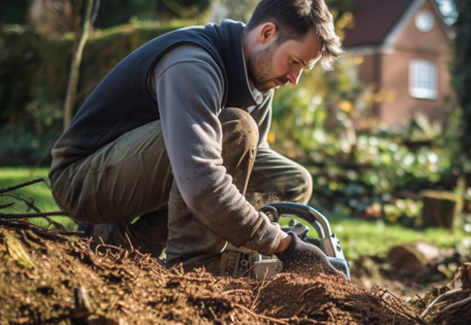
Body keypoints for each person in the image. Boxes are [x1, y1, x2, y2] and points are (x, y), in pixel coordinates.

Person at [48, 0, 342, 276]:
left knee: (292, 180)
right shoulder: (192, 62)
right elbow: (202, 180)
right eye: (294, 61)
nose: (295, 79)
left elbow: (244, 168)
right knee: (236, 129)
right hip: (83, 181)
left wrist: (255, 241)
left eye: (304, 69)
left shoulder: (260, 85)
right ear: (267, 33)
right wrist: (283, 244)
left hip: (163, 175)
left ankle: (125, 245)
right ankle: (193, 270)